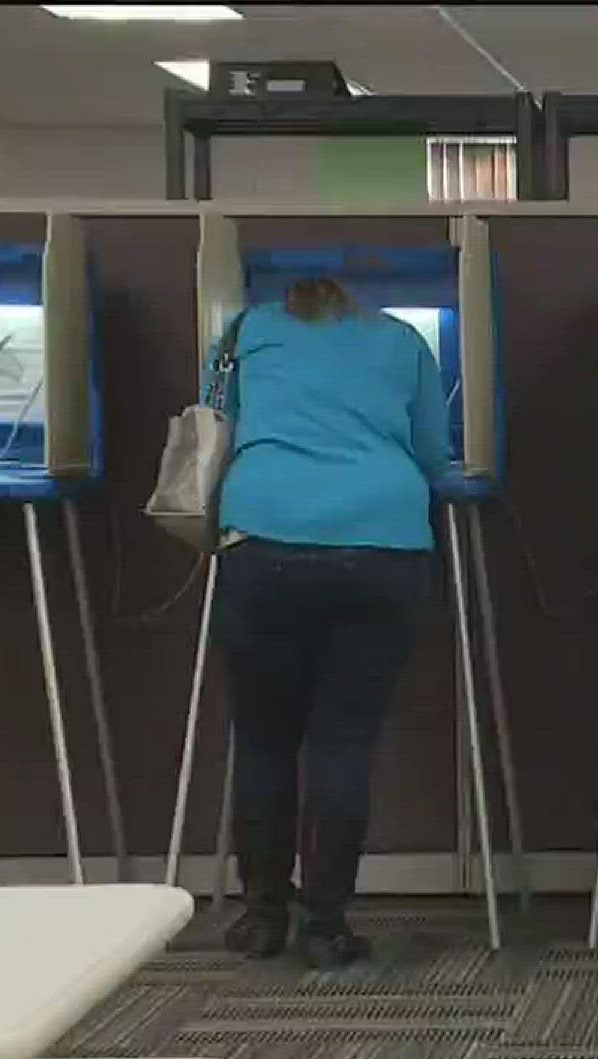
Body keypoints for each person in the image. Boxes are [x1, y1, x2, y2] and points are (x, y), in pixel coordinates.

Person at [213, 277, 450, 968]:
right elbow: (434, 455)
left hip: (264, 540)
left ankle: (261, 917)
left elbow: (214, 428)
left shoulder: (242, 334)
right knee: (341, 743)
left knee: (262, 741)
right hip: (381, 545)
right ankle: (325, 926)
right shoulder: (402, 341)